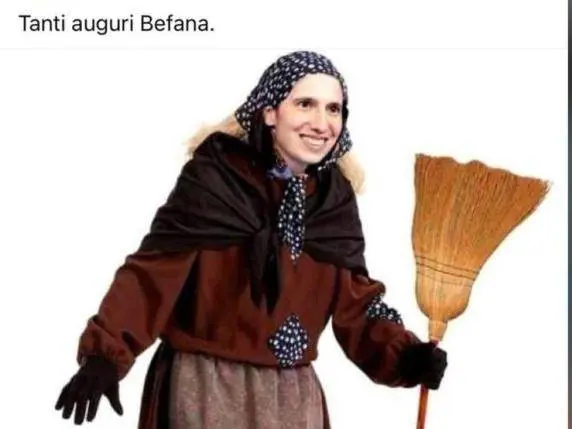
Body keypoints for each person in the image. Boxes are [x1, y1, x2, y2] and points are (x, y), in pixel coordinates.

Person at [55, 50, 448, 429]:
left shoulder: (332, 202)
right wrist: (104, 354)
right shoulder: (215, 181)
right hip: (206, 387)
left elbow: (357, 306)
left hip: (293, 397)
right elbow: (151, 276)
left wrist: (405, 355)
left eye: (334, 109)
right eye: (305, 104)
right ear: (270, 111)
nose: (321, 122)